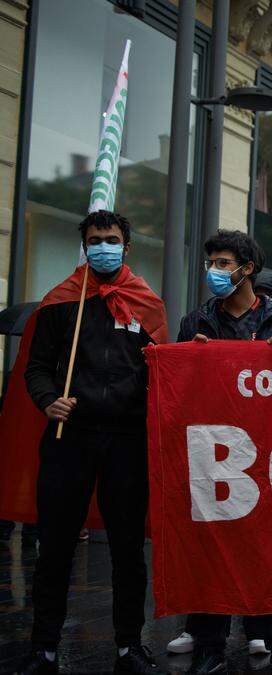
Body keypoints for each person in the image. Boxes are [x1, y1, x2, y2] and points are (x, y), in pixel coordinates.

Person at [20, 210, 167, 674]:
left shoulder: (148, 305)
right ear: (84, 246)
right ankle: (43, 648)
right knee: (56, 547)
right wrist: (48, 400)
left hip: (126, 442)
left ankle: (130, 646)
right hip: (70, 440)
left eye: (112, 239)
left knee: (127, 551)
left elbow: (162, 373)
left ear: (128, 246)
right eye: (95, 239)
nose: (104, 246)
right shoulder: (61, 301)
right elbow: (37, 367)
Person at [175, 230, 272, 674]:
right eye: (212, 262)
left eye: (223, 263)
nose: (214, 270)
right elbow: (178, 394)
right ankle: (211, 644)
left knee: (267, 554)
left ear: (247, 269)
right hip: (213, 454)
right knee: (213, 550)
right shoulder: (196, 323)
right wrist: (191, 363)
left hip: (266, 456)